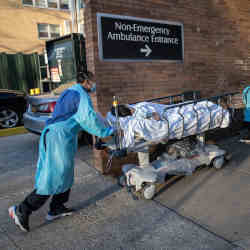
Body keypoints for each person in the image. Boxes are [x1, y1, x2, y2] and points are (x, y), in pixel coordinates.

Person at [8, 71, 115, 232]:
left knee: (65, 174)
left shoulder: (71, 91)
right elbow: (88, 119)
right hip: (58, 138)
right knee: (53, 177)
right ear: (86, 81)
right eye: (93, 81)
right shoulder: (81, 96)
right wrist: (107, 132)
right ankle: (22, 209)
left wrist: (102, 126)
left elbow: (86, 116)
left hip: (61, 137)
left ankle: (56, 208)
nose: (95, 85)